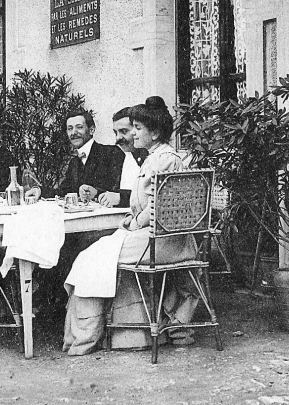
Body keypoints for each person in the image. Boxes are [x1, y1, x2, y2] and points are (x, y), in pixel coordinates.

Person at [62, 96, 199, 355]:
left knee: (92, 257)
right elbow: (146, 204)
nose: (133, 133)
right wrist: (133, 218)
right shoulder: (152, 158)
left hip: (165, 240)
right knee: (94, 254)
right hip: (153, 235)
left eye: (137, 128)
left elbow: (160, 206)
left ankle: (87, 335)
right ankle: (124, 333)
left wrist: (136, 221)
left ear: (155, 132)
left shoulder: (165, 160)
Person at [58, 110, 125, 199]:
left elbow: (119, 189)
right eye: (70, 128)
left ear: (91, 130)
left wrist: (96, 192)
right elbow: (63, 191)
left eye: (79, 127)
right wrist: (39, 190)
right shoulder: (74, 162)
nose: (73, 133)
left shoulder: (112, 153)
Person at [98, 107, 150, 208]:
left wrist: (121, 198)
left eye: (124, 131)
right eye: (116, 133)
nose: (118, 138)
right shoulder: (120, 156)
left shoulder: (150, 158)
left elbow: (152, 197)